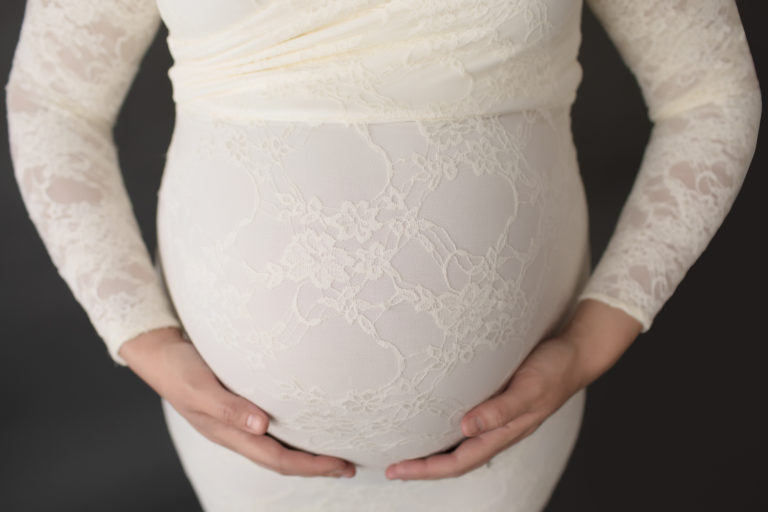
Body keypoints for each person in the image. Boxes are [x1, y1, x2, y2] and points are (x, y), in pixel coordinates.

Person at [5, 0, 760, 511]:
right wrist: (136, 331)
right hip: (243, 448)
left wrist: (600, 335)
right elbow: (52, 101)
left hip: (507, 439)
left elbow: (711, 96)